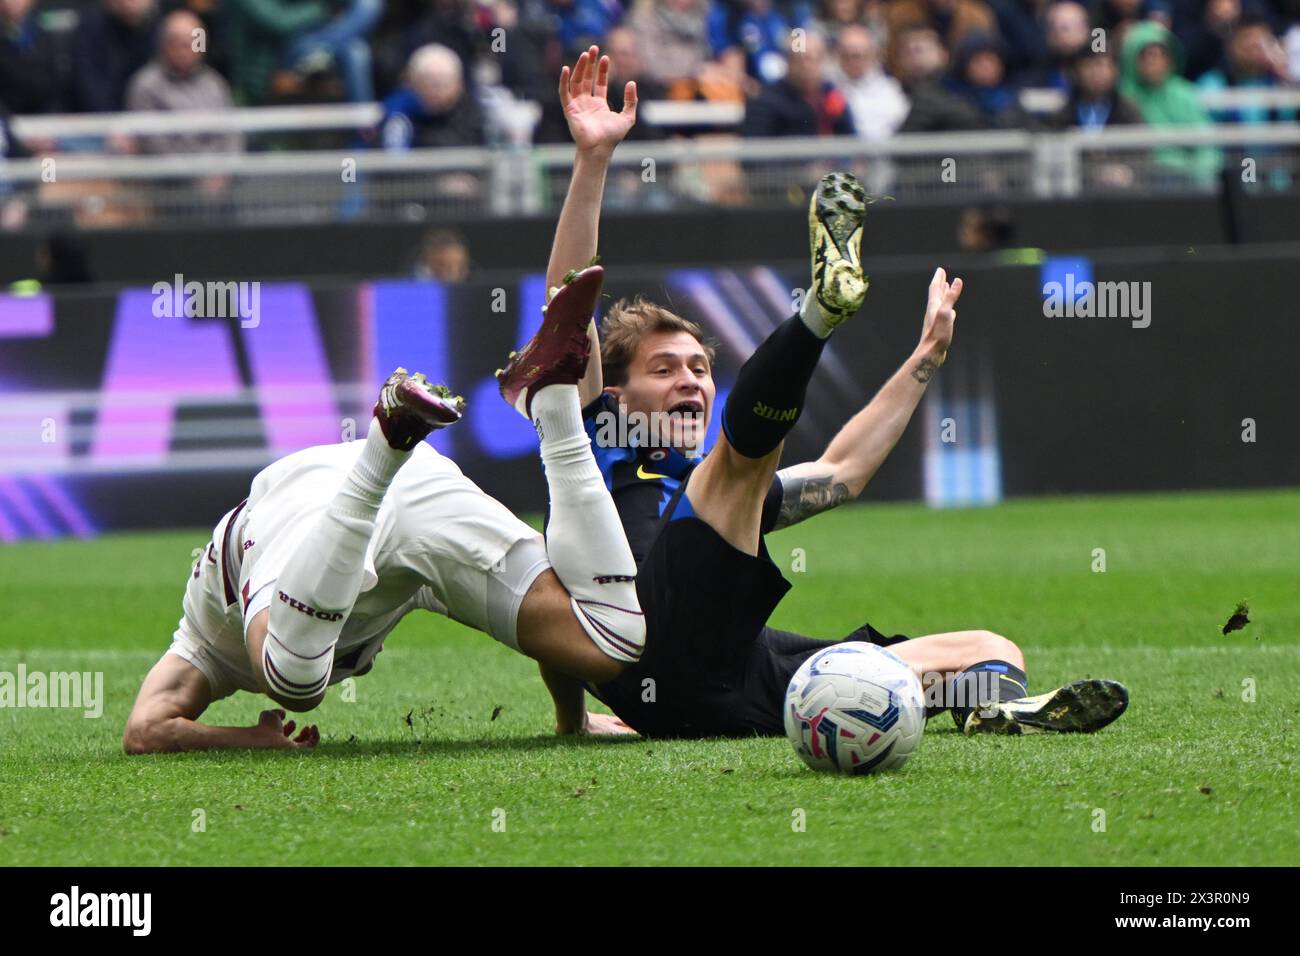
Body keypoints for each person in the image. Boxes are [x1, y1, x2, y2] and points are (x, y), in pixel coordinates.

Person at [504, 44, 1130, 739]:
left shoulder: (717, 499)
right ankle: (818, 316)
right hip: (654, 655)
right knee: (741, 464)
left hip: (732, 685)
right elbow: (568, 301)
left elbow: (843, 473)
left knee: (988, 649)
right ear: (615, 395)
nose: (690, 380)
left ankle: (995, 707)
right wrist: (592, 161)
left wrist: (925, 358)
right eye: (665, 369)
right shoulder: (595, 441)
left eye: (700, 369)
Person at [123, 311, 648, 751]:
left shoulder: (203, 641)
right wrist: (572, 720)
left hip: (311, 497)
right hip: (419, 484)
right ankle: (552, 411)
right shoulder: (208, 646)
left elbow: (145, 731)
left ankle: (382, 450)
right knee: (608, 643)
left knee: (293, 681)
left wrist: (253, 740)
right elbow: (147, 730)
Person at [125, 9, 244, 155]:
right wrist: (192, 171)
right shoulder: (146, 85)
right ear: (165, 45)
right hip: (166, 174)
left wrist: (223, 169)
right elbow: (152, 143)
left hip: (217, 170)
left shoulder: (214, 83)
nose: (187, 50)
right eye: (180, 43)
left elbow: (231, 133)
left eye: (194, 43)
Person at [740, 29, 855, 137]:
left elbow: (850, 142)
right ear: (788, 61)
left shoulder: (832, 95)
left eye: (812, 58)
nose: (807, 66)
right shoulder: (765, 100)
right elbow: (756, 150)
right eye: (800, 59)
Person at [830, 23, 908, 142]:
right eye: (846, 56)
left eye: (857, 56)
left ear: (872, 55)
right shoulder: (828, 87)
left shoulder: (890, 90)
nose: (852, 62)